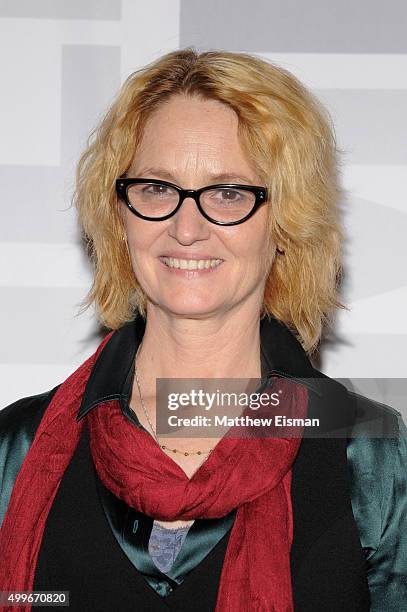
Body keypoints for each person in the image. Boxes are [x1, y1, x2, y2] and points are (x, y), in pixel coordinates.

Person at [0, 47, 406, 612]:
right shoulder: (16, 450)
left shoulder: (367, 455)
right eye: (157, 189)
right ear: (119, 218)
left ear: (285, 223)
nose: (186, 228)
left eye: (229, 193)